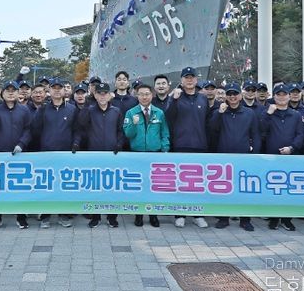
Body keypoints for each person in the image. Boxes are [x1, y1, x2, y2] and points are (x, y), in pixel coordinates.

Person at [209, 82, 261, 231]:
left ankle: (245, 219)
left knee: (243, 189)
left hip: (244, 157)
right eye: (229, 94)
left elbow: (255, 135)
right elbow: (212, 129)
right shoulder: (220, 111)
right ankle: (223, 218)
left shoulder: (249, 113)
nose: (232, 97)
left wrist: (255, 154)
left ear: (240, 95)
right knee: (224, 189)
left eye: (235, 94)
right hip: (223, 157)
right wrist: (219, 113)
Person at [73, 82, 125, 228]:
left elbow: (121, 131)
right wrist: (76, 143)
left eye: (105, 93)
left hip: (112, 155)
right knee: (95, 187)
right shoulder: (89, 111)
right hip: (94, 155)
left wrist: (119, 144)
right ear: (95, 95)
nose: (102, 96)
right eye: (99, 93)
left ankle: (112, 217)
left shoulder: (116, 111)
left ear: (109, 95)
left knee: (112, 187)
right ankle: (95, 216)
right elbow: (81, 127)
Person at [165, 67, 210, 229]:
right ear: (181, 80)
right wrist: (174, 100)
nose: (189, 80)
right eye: (186, 77)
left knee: (198, 183)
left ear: (196, 80)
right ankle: (180, 214)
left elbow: (207, 122)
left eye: (192, 77)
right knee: (181, 182)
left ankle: (198, 214)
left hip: (200, 145)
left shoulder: (203, 98)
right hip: (181, 145)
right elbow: (168, 116)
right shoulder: (175, 97)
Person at [32, 78, 79, 228]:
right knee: (47, 186)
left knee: (63, 186)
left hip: (66, 154)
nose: (57, 91)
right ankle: (45, 215)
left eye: (60, 88)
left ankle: (63, 214)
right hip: (47, 154)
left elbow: (77, 130)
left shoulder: (72, 109)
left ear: (65, 91)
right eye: (54, 88)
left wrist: (75, 144)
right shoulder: (43, 109)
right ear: (49, 91)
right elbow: (35, 130)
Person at [123, 83, 169, 227]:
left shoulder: (159, 113)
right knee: (139, 186)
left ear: (152, 95)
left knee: (153, 186)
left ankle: (153, 215)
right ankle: (139, 215)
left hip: (154, 154)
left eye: (147, 94)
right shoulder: (131, 113)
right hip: (137, 154)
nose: (144, 97)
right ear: (137, 96)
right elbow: (128, 134)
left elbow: (164, 133)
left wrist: (165, 149)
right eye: (141, 94)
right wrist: (133, 124)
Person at [0, 81, 32, 230]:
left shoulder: (24, 110)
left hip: (20, 154)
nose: (11, 93)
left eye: (14, 90)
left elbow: (29, 130)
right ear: (2, 93)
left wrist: (22, 143)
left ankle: (21, 217)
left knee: (20, 188)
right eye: (8, 90)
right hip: (0, 154)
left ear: (18, 93)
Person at [262, 83, 304, 231]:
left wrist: (292, 148)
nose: (281, 97)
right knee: (273, 189)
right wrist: (268, 114)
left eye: (284, 94)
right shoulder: (268, 112)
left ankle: (287, 219)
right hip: (272, 157)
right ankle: (273, 218)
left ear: (289, 96)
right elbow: (261, 130)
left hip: (290, 157)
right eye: (278, 95)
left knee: (288, 189)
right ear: (274, 97)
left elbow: (300, 135)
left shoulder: (296, 115)